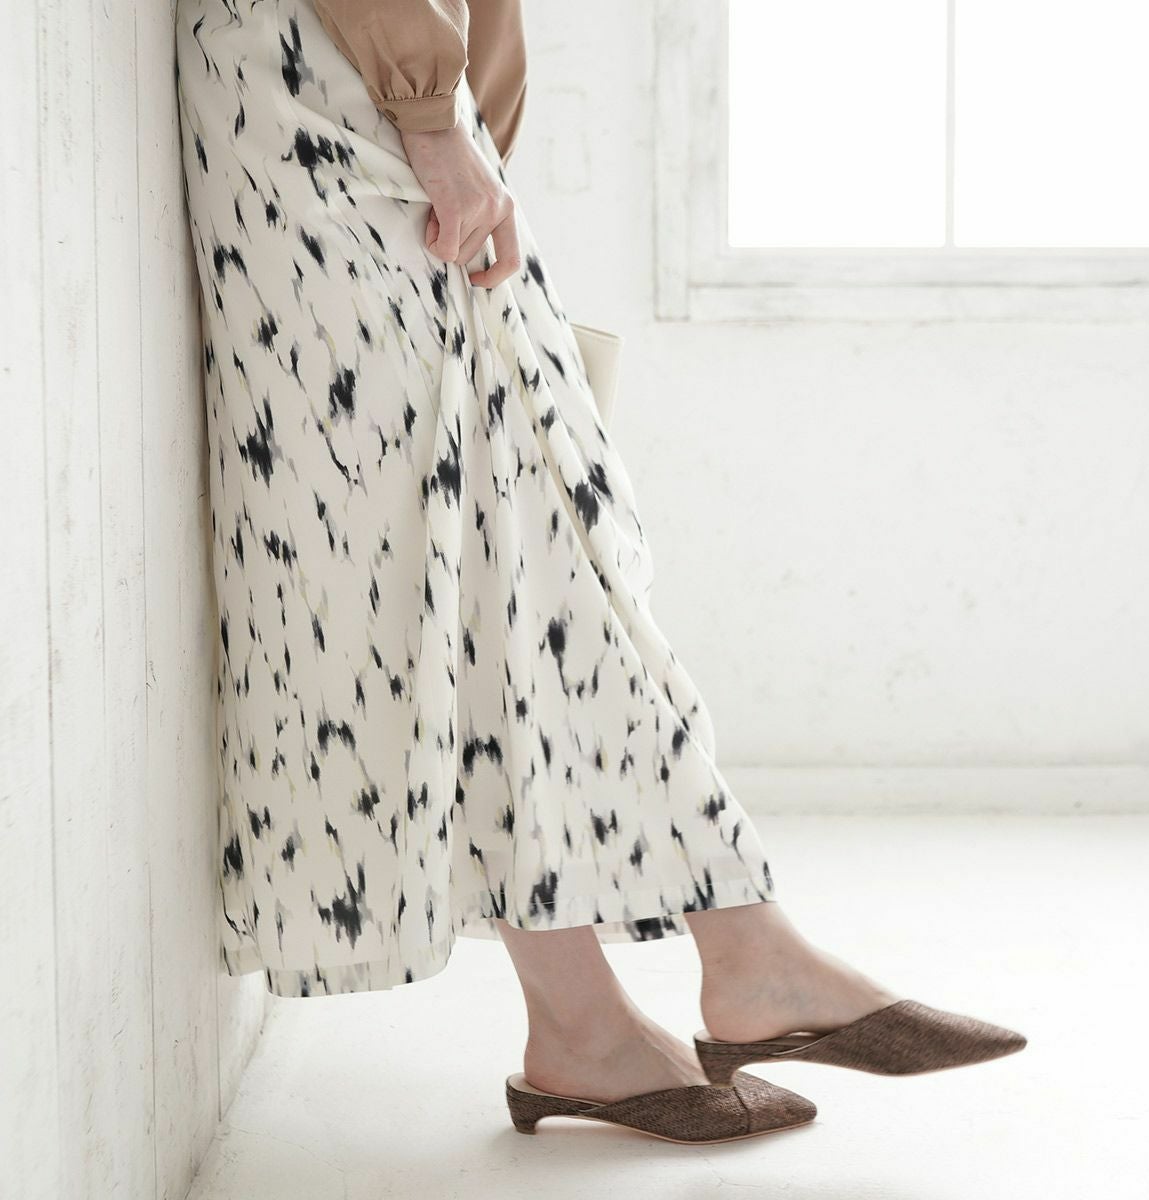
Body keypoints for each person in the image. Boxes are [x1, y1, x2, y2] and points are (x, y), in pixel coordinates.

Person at [174, 0, 1024, 1143]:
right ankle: (734, 951)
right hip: (327, 80)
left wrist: (456, 111)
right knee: (478, 538)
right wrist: (432, 111)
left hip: (372, 81)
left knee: (502, 541)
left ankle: (594, 1018)